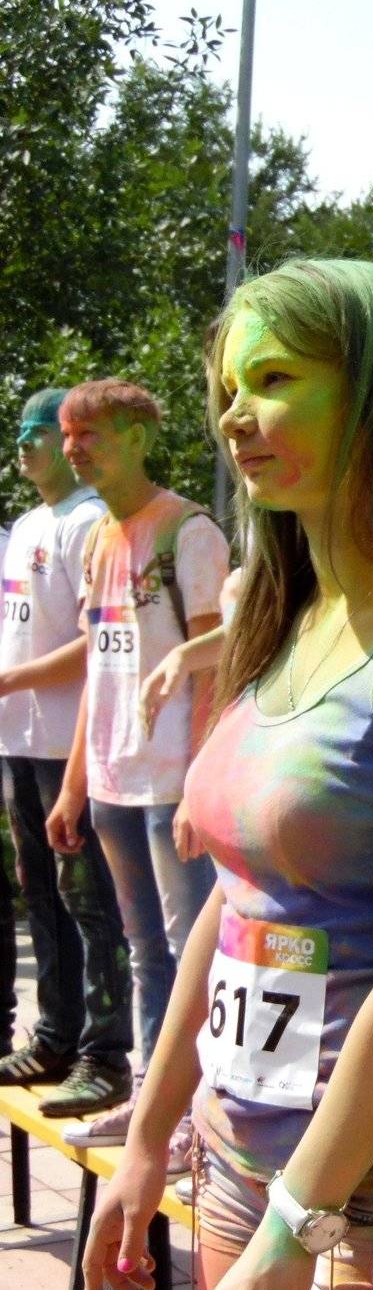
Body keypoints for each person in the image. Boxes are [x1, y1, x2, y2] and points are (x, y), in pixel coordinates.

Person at [80, 258, 373, 1290]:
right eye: (229, 388)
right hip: (236, 1160)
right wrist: (148, 1135)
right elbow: (235, 902)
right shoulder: (285, 620)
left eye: (273, 380)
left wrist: (297, 1219)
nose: (235, 416)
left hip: (362, 1197)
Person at [43, 378, 225, 1163]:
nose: (75, 448)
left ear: (140, 437)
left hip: (172, 781)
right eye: (67, 434)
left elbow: (217, 664)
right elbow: (101, 669)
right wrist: (74, 783)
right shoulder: (98, 540)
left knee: (192, 956)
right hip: (115, 780)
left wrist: (198, 783)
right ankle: (152, 1104)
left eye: (90, 433)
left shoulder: (189, 531)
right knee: (144, 950)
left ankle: (200, 1118)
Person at [0, 387, 132, 1116]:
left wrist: (11, 679)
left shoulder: (89, 522)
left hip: (69, 747)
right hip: (18, 742)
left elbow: (95, 643)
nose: (25, 444)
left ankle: (104, 1054)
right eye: (19, 431)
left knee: (88, 900)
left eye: (39, 431)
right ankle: (53, 1036)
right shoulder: (26, 526)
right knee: (40, 894)